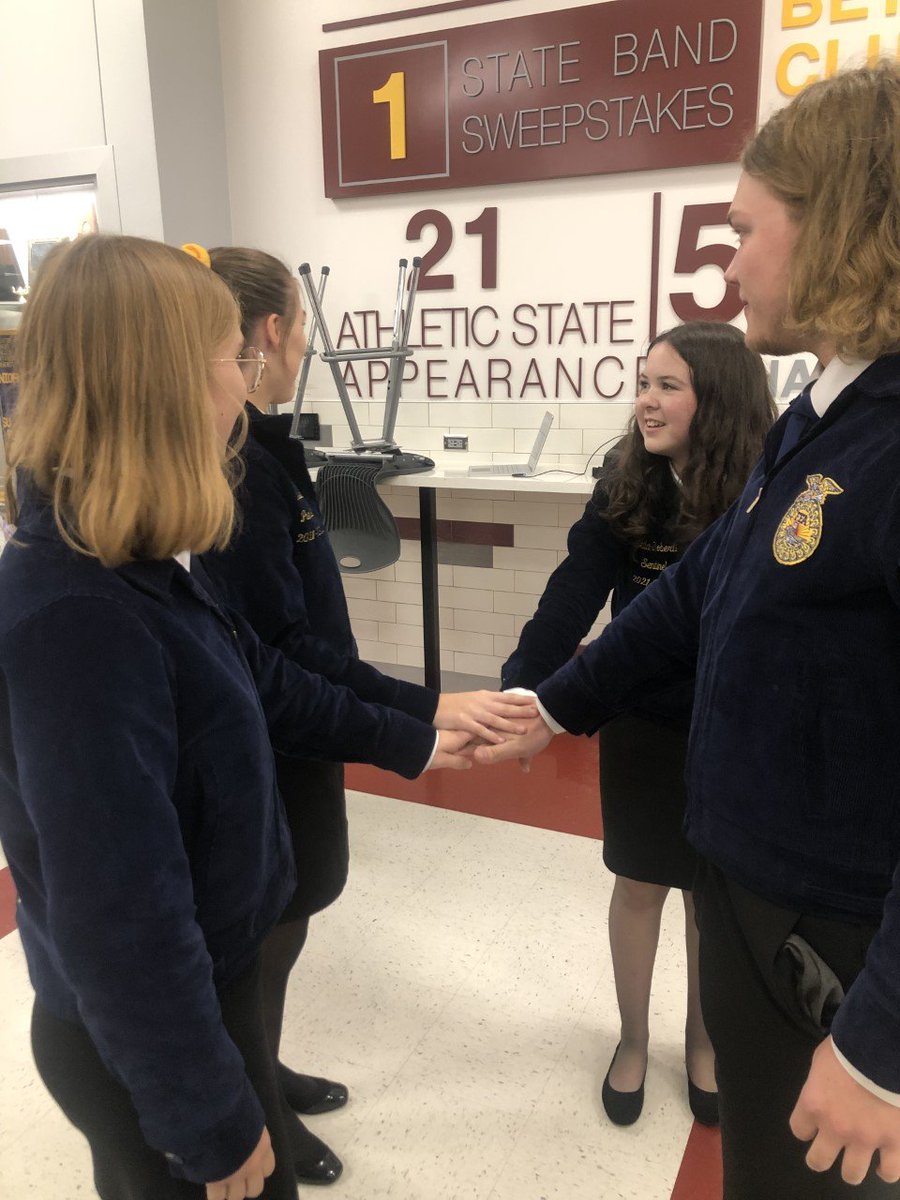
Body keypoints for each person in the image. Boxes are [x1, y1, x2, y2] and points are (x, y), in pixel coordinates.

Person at [476, 61, 900, 1198]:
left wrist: (881, 1049)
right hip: (748, 884)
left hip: (841, 947)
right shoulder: (823, 413)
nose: (731, 262)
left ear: (846, 228)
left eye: (746, 230)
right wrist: (549, 702)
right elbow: (688, 596)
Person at [0, 233, 484, 1200]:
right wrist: (213, 1121)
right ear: (166, 382)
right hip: (151, 1052)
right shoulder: (78, 617)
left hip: (203, 1006)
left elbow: (262, 673)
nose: (246, 381)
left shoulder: (133, 561)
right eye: (230, 359)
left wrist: (418, 733)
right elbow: (118, 915)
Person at [198, 244, 535, 1185]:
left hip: (312, 728)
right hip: (270, 746)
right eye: (299, 325)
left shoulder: (265, 450)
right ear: (268, 333)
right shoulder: (231, 470)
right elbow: (282, 658)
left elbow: (313, 648)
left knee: (296, 909)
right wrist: (417, 724)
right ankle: (252, 1101)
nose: (303, 341)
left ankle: (263, 1067)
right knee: (266, 922)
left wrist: (422, 707)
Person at [502, 321, 774, 1127]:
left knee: (707, 898)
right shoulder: (627, 478)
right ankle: (630, 1038)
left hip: (728, 726)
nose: (646, 402)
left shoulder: (761, 487)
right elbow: (573, 589)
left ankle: (702, 1041)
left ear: (715, 400)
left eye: (667, 386)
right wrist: (525, 692)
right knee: (641, 882)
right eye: (643, 382)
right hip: (640, 722)